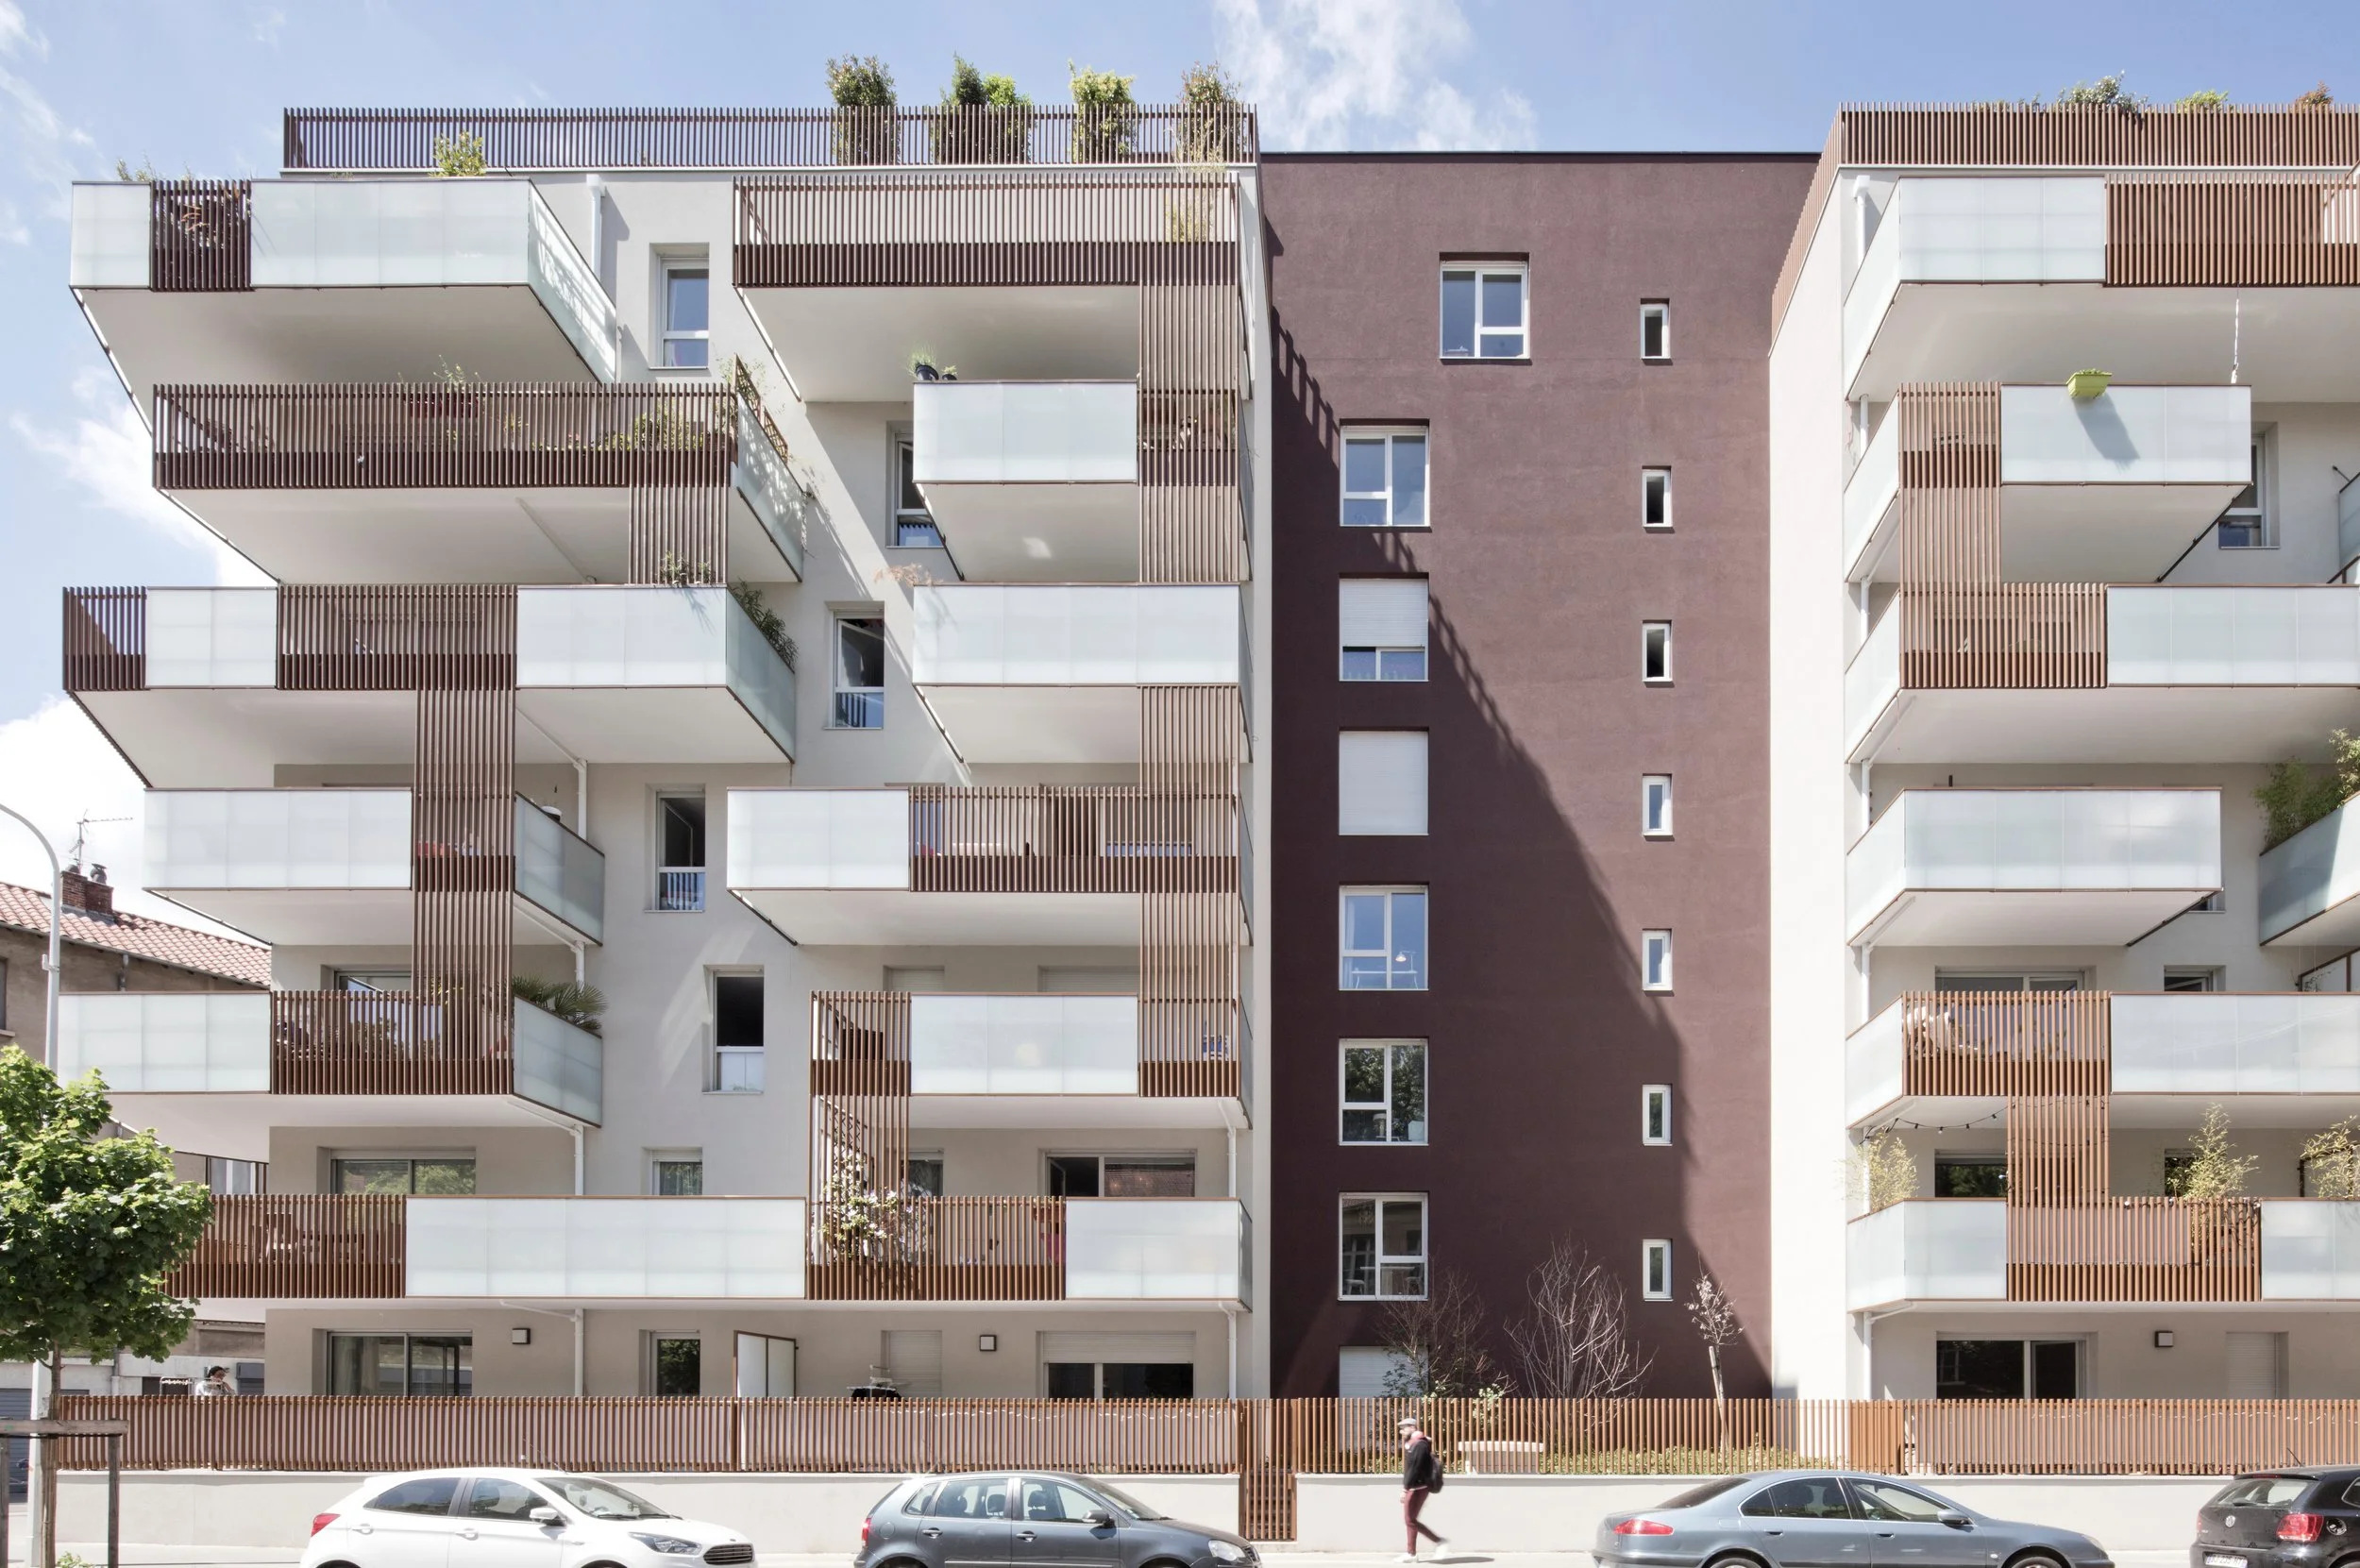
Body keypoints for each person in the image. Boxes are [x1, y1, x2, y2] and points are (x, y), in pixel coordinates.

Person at [1397, 1415, 1445, 1562]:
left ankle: (1434, 1544)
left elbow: (1414, 1469)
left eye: (1403, 1428)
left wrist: (1405, 1489)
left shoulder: (1419, 1445)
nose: (1401, 1432)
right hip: (1416, 1486)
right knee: (1410, 1520)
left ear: (1412, 1427)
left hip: (1417, 1488)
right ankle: (1413, 1552)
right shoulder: (1415, 1443)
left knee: (1410, 1520)